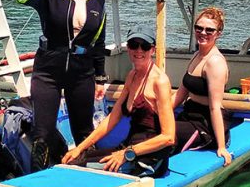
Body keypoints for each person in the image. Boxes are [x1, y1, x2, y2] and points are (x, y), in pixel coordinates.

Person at [8, 0, 107, 170]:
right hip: (47, 71)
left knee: (84, 132)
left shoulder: (98, 1)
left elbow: (99, 42)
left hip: (82, 73)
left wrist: (100, 78)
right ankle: (39, 180)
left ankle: (89, 178)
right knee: (42, 133)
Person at [61, 26, 175, 177]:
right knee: (72, 160)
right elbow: (112, 118)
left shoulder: (160, 82)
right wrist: (80, 148)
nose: (139, 50)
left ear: (152, 50)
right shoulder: (132, 76)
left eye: (145, 46)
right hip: (128, 149)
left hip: (148, 159)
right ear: (128, 49)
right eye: (134, 45)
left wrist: (127, 153)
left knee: (79, 169)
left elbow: (168, 137)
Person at [173, 7, 233, 166]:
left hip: (205, 125)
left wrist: (221, 147)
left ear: (218, 34)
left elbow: (215, 107)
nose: (203, 33)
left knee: (164, 133)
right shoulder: (197, 55)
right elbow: (180, 94)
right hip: (189, 115)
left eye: (209, 30)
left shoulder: (215, 62)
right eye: (199, 28)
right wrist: (157, 112)